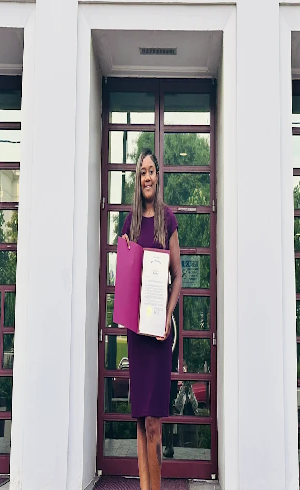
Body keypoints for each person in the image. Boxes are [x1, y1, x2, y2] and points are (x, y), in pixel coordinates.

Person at [121, 148, 182, 490]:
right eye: (141, 171)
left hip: (159, 335)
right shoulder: (129, 222)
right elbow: (128, 277)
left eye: (151, 171)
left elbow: (177, 277)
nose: (146, 177)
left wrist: (168, 317)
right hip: (136, 332)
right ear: (137, 179)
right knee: (141, 419)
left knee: (155, 420)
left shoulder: (168, 220)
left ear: (158, 177)